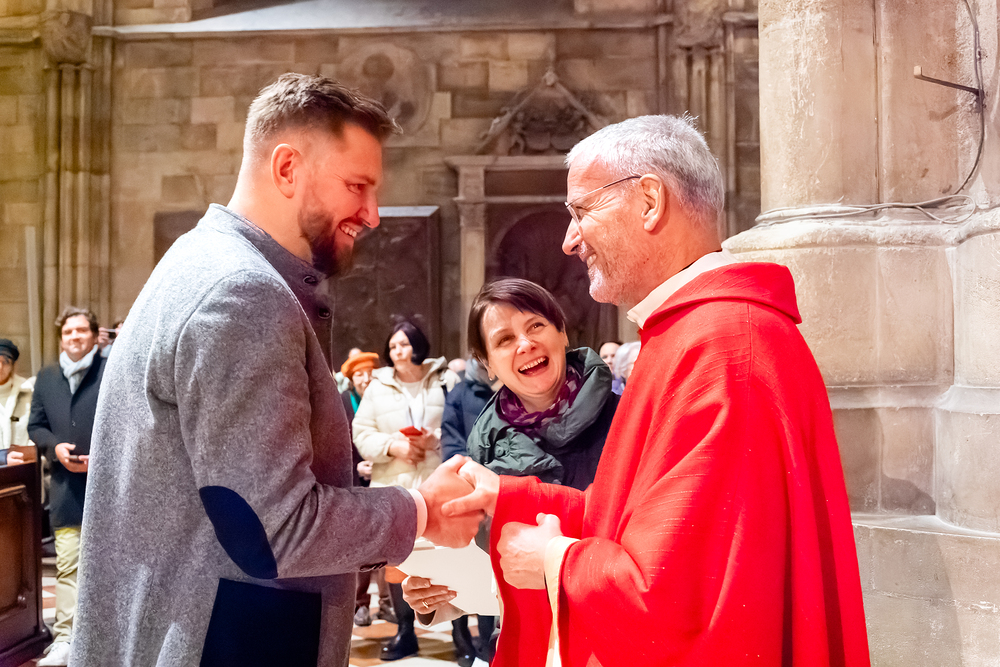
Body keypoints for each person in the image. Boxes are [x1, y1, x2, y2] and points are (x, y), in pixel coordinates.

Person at [71, 74, 482, 667]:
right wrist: (422, 511)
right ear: (287, 168)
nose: (372, 214)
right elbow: (275, 530)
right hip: (222, 645)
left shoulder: (203, 260)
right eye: (357, 186)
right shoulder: (241, 294)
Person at [442, 115, 870, 666]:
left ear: (649, 201)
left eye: (581, 211)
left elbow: (685, 601)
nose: (569, 241)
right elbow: (631, 518)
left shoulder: (723, 348)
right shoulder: (691, 334)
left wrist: (553, 560)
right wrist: (507, 495)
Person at [405, 278, 619, 665]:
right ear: (487, 363)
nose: (525, 344)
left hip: (609, 638)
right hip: (526, 644)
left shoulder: (625, 416)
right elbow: (490, 558)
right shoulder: (483, 446)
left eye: (536, 325)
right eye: (504, 339)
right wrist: (442, 595)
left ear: (562, 332)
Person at [352, 319, 460, 660]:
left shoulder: (444, 379)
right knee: (398, 561)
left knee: (449, 555)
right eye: (393, 346)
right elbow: (361, 431)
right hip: (393, 486)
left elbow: (463, 425)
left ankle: (460, 634)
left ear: (418, 345)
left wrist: (435, 440)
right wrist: (392, 446)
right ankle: (405, 631)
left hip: (438, 481)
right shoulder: (378, 386)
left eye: (404, 344)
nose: (398, 351)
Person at [27, 307, 107, 666]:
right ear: (61, 339)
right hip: (66, 488)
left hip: (108, 488)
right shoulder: (46, 377)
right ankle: (65, 640)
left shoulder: (110, 371)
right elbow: (36, 425)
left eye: (81, 330)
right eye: (68, 332)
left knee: (108, 566)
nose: (74, 337)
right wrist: (54, 448)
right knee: (69, 565)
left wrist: (103, 455)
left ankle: (105, 640)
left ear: (94, 335)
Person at [340, 351, 395, 627]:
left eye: (370, 373)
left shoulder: (384, 398)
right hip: (354, 483)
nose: (365, 379)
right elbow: (336, 446)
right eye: (359, 375)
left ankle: (387, 603)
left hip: (384, 478)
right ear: (352, 379)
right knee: (362, 547)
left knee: (387, 545)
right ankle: (360, 604)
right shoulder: (342, 403)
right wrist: (356, 467)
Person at [0, 339, 30, 465]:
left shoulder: (28, 393)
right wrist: (2, 459)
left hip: (22, 469)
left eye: (5, 362)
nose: (0, 367)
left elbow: (35, 432)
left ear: (12, 366)